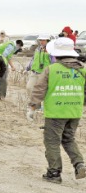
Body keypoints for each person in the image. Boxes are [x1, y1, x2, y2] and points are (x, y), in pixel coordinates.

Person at [28, 37, 86, 183]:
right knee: (68, 139)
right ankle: (79, 164)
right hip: (74, 112)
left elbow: (39, 89)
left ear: (56, 54)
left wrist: (32, 107)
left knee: (52, 142)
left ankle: (54, 173)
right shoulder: (83, 70)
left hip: (55, 113)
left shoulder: (51, 69)